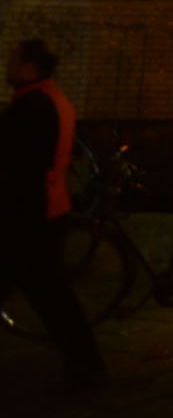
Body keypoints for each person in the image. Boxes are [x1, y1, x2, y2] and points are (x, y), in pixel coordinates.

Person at [0, 39, 106, 390]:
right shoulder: (53, 99)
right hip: (47, 209)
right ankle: (86, 363)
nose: (8, 66)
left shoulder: (31, 107)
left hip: (29, 217)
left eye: (13, 60)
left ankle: (87, 365)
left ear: (30, 67)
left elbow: (20, 165)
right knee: (53, 297)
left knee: (53, 299)